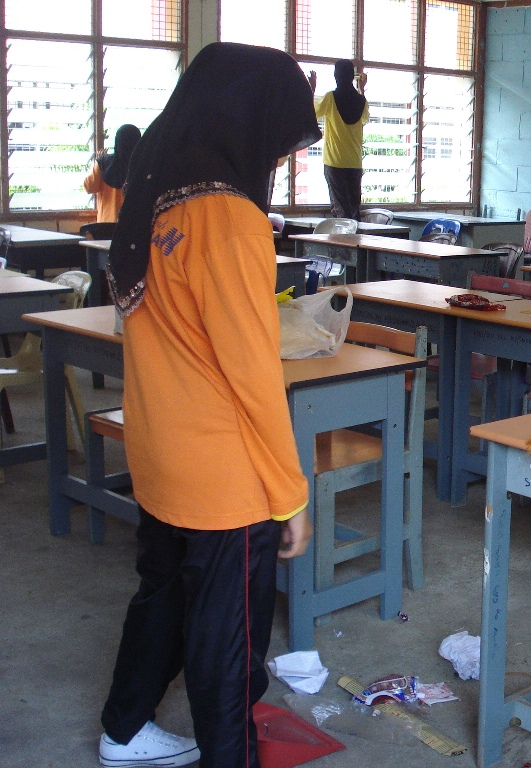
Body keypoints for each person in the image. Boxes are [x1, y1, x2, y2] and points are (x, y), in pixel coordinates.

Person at [98, 42, 321, 768]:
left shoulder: (151, 193)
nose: (281, 160)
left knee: (160, 601)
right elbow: (253, 373)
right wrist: (291, 496)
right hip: (226, 481)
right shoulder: (227, 215)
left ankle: (124, 730)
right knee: (228, 652)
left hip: (160, 456)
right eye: (282, 142)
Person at [308, 60, 368, 219]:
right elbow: (365, 118)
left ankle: (343, 243)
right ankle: (356, 241)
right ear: (352, 77)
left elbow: (310, 113)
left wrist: (311, 89)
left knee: (340, 210)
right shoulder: (362, 101)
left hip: (334, 162)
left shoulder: (330, 98)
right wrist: (362, 89)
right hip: (354, 162)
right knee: (354, 210)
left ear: (336, 76)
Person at [83, 123, 141, 223]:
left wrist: (98, 161)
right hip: (133, 226)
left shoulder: (103, 163)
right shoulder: (144, 165)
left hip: (105, 226)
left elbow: (89, 187)